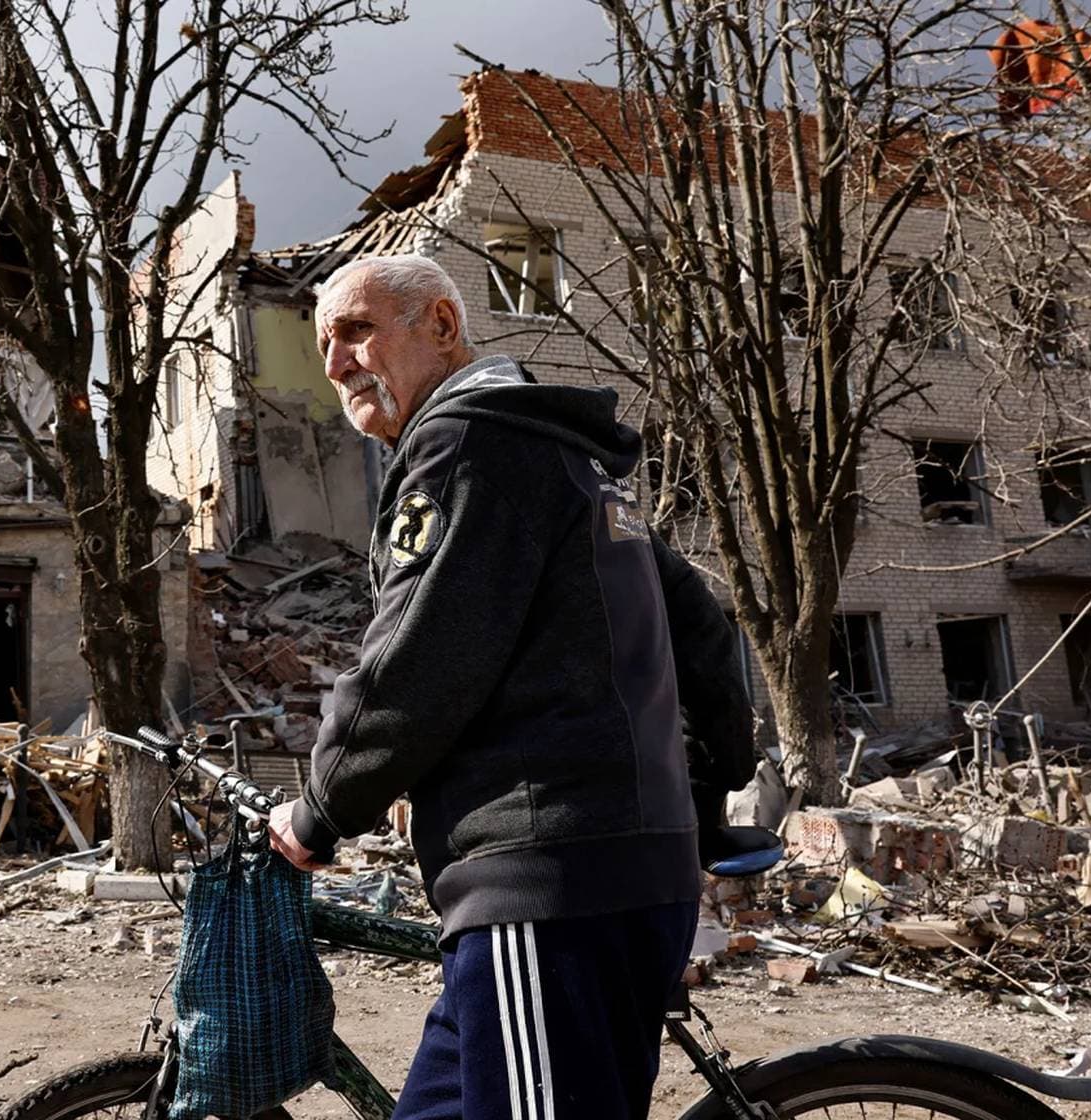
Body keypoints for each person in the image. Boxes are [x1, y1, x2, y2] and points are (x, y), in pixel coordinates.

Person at [266, 254, 756, 1120]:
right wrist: (705, 797)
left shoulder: (467, 444)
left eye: (355, 331)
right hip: (610, 874)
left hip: (546, 891)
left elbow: (414, 662)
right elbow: (706, 639)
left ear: (443, 327)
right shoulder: (567, 460)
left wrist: (317, 812)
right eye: (324, 345)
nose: (336, 365)